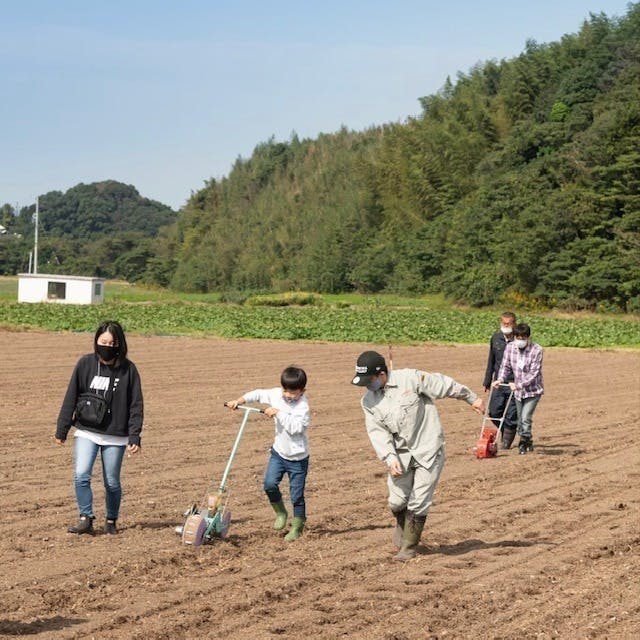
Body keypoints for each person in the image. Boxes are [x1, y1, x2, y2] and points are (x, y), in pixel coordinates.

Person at [352, 351, 484, 561]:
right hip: (401, 454)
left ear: (381, 374)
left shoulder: (410, 379)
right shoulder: (368, 401)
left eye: (370, 381)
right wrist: (389, 457)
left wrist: (471, 398)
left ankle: (409, 546)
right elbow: (377, 432)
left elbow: (443, 385)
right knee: (396, 501)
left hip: (428, 448)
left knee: (419, 500)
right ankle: (403, 527)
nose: (368, 386)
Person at [55, 321, 143, 535]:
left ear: (119, 344)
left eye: (112, 342)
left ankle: (111, 520)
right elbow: (71, 396)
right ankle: (86, 518)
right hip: (86, 430)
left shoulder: (128, 370)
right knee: (81, 474)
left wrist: (134, 436)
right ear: (96, 341)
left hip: (115, 434)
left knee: (111, 482)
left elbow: (136, 404)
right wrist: (62, 428)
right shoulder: (85, 364)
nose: (107, 345)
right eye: (103, 341)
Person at [225, 366, 310, 541]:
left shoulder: (303, 407)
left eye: (292, 393)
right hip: (279, 453)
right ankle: (281, 513)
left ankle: (298, 525)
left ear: (302, 391)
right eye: (285, 390)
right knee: (269, 484)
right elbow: (257, 394)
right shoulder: (276, 394)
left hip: (298, 460)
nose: (287, 395)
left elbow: (296, 429)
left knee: (296, 495)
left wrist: (278, 413)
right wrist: (239, 400)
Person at [493, 323, 543, 455]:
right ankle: (528, 440)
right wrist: (500, 379)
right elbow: (505, 366)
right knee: (520, 420)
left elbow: (534, 373)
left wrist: (518, 384)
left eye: (523, 337)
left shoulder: (536, 350)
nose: (520, 340)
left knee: (526, 417)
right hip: (518, 392)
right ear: (514, 337)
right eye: (518, 337)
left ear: (528, 337)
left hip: (533, 390)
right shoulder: (510, 347)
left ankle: (523, 442)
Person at [482, 312, 519, 448]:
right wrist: (487, 381)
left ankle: (506, 442)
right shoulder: (496, 338)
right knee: (494, 412)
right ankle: (507, 430)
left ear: (514, 324)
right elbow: (491, 360)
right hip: (498, 381)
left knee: (511, 414)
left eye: (509, 323)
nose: (506, 325)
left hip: (514, 383)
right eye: (504, 323)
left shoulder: (519, 340)